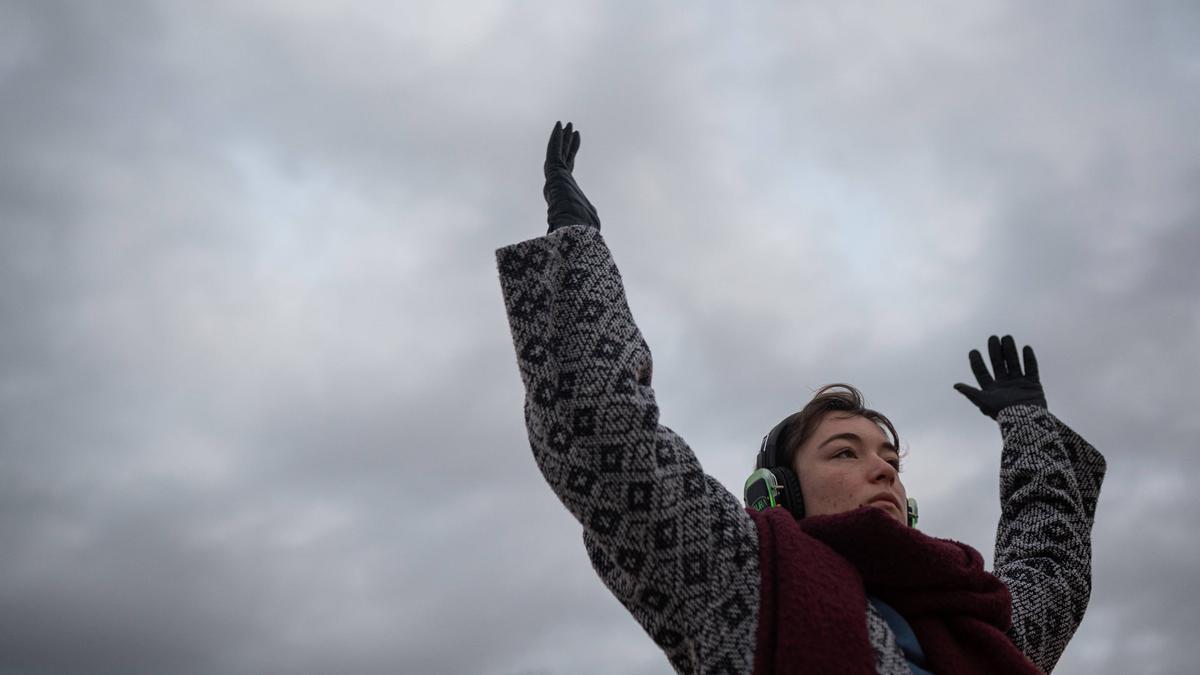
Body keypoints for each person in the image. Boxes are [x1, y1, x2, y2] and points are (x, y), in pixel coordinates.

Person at [496, 121, 1106, 674]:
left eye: (891, 461)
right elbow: (604, 431)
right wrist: (577, 244)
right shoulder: (742, 580)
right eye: (845, 453)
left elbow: (1049, 559)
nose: (883, 471)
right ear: (778, 491)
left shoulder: (979, 622)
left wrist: (1028, 424)